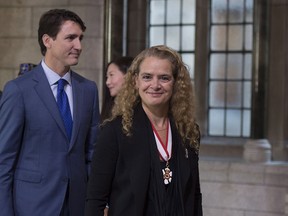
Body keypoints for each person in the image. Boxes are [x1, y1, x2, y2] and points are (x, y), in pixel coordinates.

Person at [0, 9, 100, 216]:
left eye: (80, 38)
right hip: (32, 206)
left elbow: (92, 154)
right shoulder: (19, 90)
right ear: (48, 40)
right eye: (71, 38)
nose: (79, 46)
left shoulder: (88, 89)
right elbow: (4, 162)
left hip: (78, 206)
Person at [85, 45, 202, 216]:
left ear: (176, 83)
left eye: (164, 78)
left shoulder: (188, 131)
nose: (155, 85)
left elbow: (194, 195)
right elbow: (95, 199)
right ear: (135, 81)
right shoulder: (114, 132)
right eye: (147, 77)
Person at [100, 56, 133, 122]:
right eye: (107, 77)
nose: (107, 82)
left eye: (111, 75)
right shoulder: (110, 106)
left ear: (127, 75)